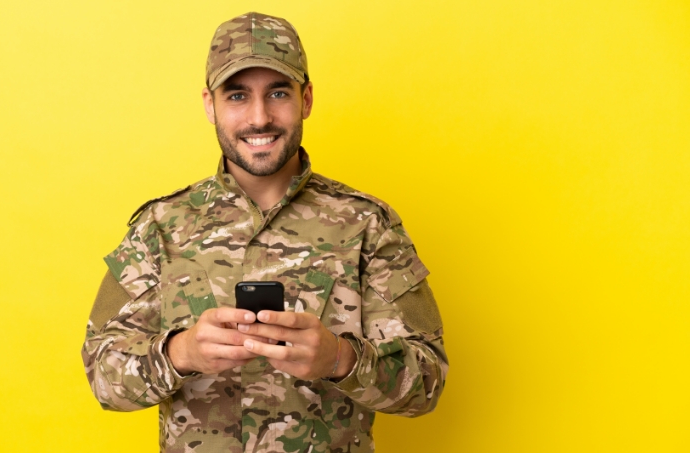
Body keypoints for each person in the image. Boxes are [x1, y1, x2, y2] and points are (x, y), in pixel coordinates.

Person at [82, 12, 448, 453]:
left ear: (306, 99)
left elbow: (428, 381)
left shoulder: (368, 225)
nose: (260, 118)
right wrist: (182, 353)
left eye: (278, 93)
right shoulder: (158, 228)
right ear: (209, 104)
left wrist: (339, 358)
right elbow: (102, 375)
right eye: (237, 95)